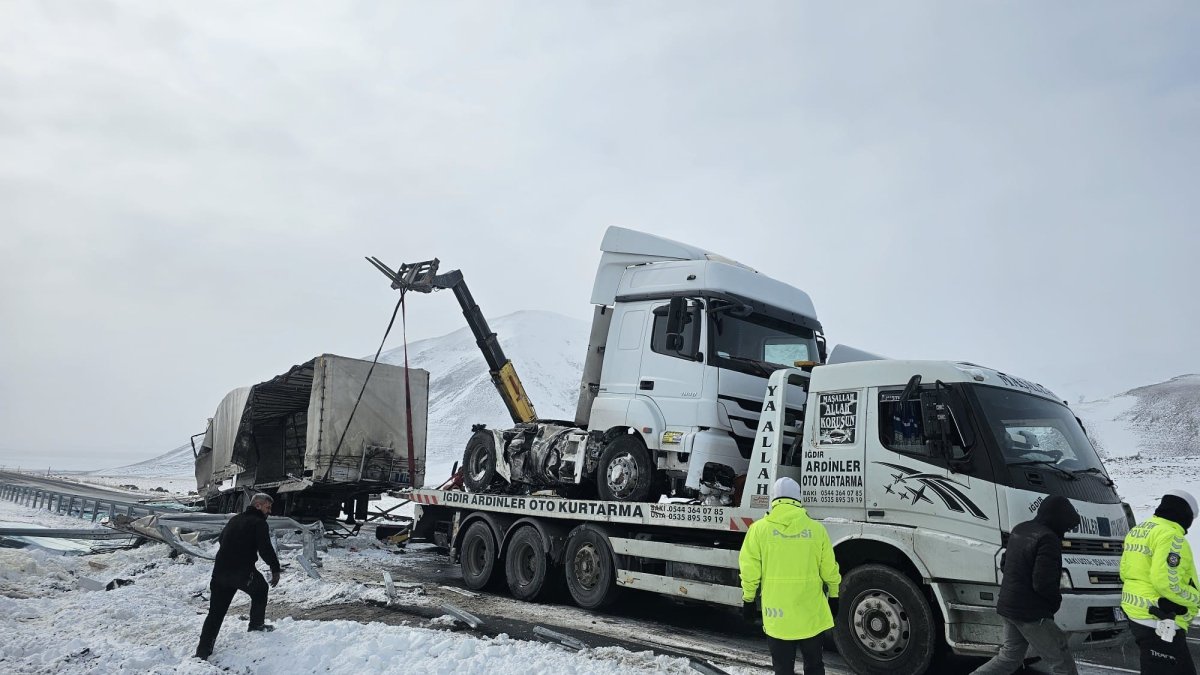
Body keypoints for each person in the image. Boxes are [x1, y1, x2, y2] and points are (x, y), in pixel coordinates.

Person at [738, 477, 841, 675]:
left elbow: (750, 569)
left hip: (777, 616)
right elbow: (829, 568)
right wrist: (834, 594)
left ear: (774, 499)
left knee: (783, 669)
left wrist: (749, 599)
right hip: (811, 615)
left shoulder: (758, 530)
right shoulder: (817, 530)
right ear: (799, 498)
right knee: (815, 666)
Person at [972, 495, 1082, 675]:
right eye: (1067, 525)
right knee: (1061, 662)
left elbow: (1004, 564)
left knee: (1009, 657)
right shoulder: (1048, 539)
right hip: (1030, 613)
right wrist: (1055, 602)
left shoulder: (1021, 529)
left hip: (1008, 606)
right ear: (1058, 519)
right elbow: (1042, 582)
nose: (1066, 531)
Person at [1119, 489, 1198, 675]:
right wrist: (1196, 599)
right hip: (1160, 618)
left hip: (1137, 612)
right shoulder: (1171, 536)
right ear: (1185, 514)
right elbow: (1167, 582)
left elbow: (1125, 571)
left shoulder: (1139, 530)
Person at [195, 493, 282, 660]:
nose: (269, 512)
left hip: (220, 572)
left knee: (215, 612)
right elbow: (265, 549)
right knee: (261, 588)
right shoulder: (259, 523)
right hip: (241, 572)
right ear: (258, 506)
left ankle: (202, 652)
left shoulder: (235, 519)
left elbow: (222, 539)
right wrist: (275, 568)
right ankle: (256, 625)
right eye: (267, 507)